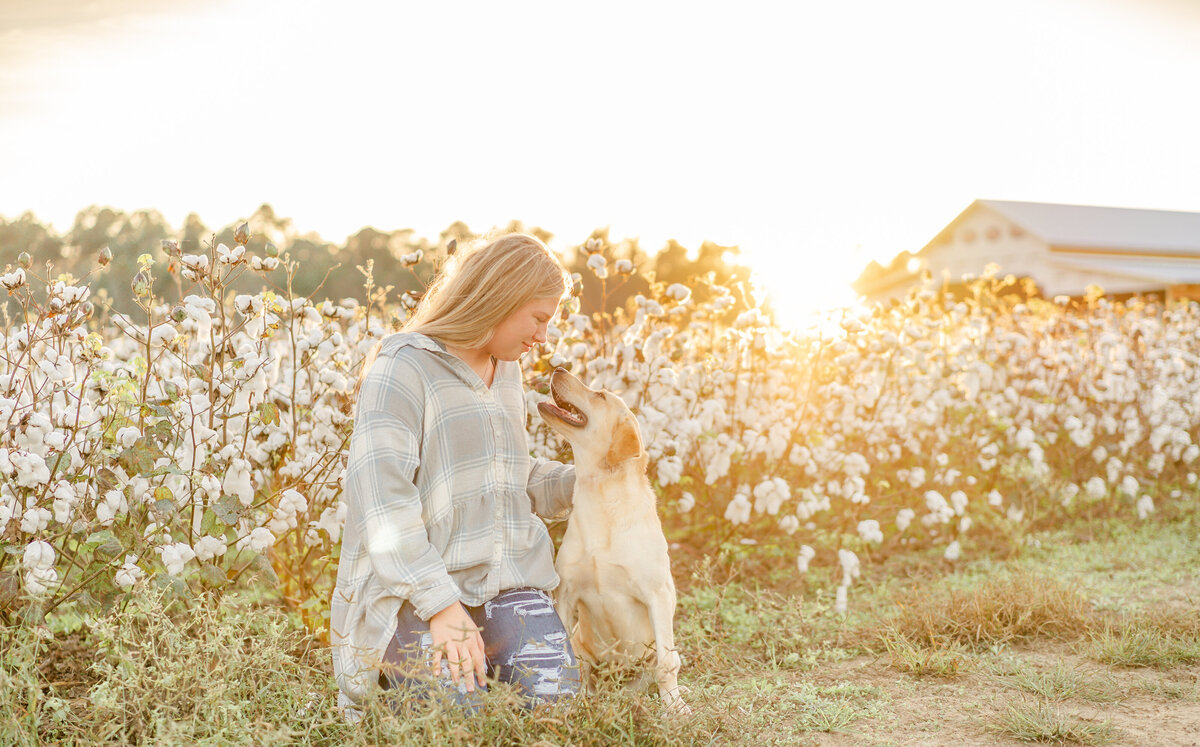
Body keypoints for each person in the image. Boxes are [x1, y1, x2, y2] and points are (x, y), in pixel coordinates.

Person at [330, 233, 580, 717]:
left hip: (506, 584)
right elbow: (382, 507)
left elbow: (505, 475)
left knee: (557, 709)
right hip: (415, 592)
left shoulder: (505, 369)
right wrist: (442, 608)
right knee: (455, 719)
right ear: (501, 297)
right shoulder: (403, 368)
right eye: (540, 318)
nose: (543, 337)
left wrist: (591, 481)